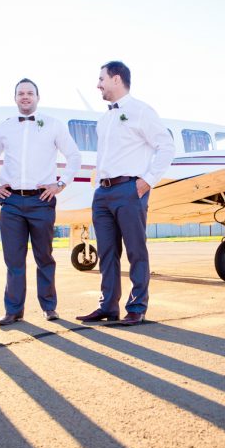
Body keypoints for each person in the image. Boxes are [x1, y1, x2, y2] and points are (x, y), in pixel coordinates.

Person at [76, 61, 175, 326]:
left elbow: (166, 147)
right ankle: (108, 306)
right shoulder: (104, 119)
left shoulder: (141, 111)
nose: (98, 85)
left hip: (129, 190)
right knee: (107, 253)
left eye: (101, 79)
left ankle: (137, 307)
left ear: (116, 79)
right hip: (103, 193)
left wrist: (147, 181)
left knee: (135, 251)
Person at [0, 78, 81, 325]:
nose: (25, 97)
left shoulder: (53, 125)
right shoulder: (5, 127)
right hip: (12, 202)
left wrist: (60, 184)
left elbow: (74, 156)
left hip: (41, 201)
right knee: (14, 260)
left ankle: (49, 307)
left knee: (44, 257)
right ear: (15, 98)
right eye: (21, 93)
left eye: (29, 93)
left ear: (37, 97)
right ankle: (13, 310)